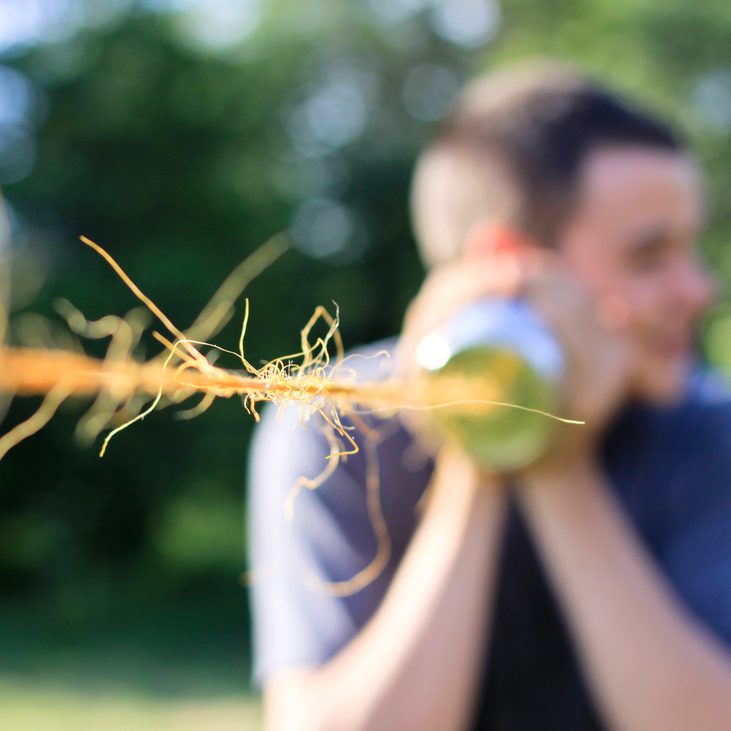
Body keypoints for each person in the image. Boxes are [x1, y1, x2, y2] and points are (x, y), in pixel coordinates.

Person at [247, 62, 731, 730]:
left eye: (691, 249)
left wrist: (558, 465)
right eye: (649, 257)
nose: (697, 290)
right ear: (510, 266)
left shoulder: (707, 433)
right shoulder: (341, 423)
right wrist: (481, 438)